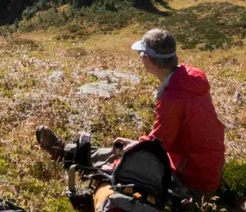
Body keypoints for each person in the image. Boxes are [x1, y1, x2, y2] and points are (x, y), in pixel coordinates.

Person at [36, 27, 225, 196]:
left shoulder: (173, 98)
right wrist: (137, 144)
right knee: (125, 149)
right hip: (201, 169)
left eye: (141, 53)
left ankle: (75, 159)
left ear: (147, 59)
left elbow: (157, 146)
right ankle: (68, 152)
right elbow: (164, 139)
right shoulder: (190, 77)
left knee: (127, 161)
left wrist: (129, 153)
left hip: (190, 181)